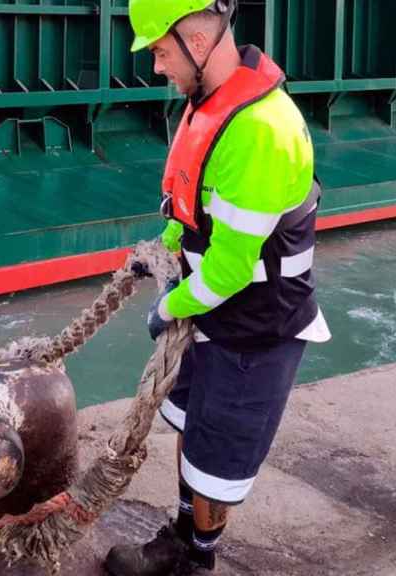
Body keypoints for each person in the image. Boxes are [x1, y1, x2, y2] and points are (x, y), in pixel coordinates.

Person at [107, 1, 331, 574]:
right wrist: (160, 249)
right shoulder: (210, 106)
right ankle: (184, 535)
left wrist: (167, 308)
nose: (156, 67)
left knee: (217, 454)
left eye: (159, 51)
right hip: (214, 313)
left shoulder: (259, 130)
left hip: (256, 328)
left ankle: (195, 559)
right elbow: (190, 209)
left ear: (198, 42)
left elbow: (231, 271)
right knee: (194, 429)